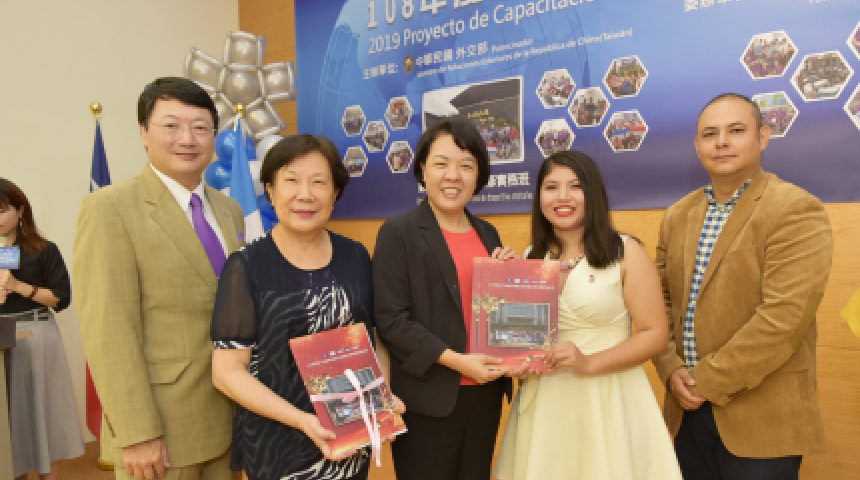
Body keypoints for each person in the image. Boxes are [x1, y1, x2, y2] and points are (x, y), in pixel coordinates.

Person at [652, 93, 833, 480]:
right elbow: (659, 303)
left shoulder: (795, 208)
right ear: (697, 145)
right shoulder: (676, 216)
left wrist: (706, 380)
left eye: (736, 131)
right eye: (710, 134)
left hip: (763, 416)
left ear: (762, 137)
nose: (721, 142)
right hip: (687, 409)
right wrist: (670, 367)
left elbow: (786, 319)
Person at [74, 77, 246, 480]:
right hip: (161, 431)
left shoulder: (230, 210)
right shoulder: (110, 208)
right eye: (171, 126)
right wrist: (136, 432)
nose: (187, 138)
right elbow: (108, 331)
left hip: (230, 418)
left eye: (200, 127)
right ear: (144, 134)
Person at [210, 134, 403, 480]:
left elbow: (374, 340)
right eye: (291, 181)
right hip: (279, 444)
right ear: (270, 191)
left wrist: (381, 400)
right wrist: (302, 420)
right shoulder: (246, 266)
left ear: (335, 193)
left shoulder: (356, 255)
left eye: (318, 182)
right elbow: (227, 372)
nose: (305, 194)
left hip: (349, 436)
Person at [494, 152, 682, 480]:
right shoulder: (529, 258)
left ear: (592, 193)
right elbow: (517, 341)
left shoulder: (626, 251)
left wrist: (589, 363)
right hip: (547, 401)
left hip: (609, 395)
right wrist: (500, 279)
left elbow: (655, 334)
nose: (562, 196)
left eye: (575, 186)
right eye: (551, 187)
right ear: (539, 196)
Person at [373, 119, 516, 480]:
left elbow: (491, 311)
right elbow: (391, 320)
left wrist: (510, 280)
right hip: (427, 399)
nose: (453, 175)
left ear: (478, 174)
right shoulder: (399, 231)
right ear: (423, 168)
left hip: (484, 395)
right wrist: (459, 362)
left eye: (466, 165)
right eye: (441, 163)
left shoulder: (488, 232)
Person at [0, 179, 84, 480]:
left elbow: (61, 298)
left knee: (44, 415)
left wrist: (19, 286)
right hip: (2, 340)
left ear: (20, 210)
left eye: (1, 210)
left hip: (36, 336)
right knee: (8, 422)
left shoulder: (43, 249)